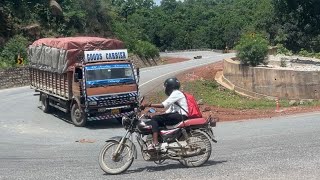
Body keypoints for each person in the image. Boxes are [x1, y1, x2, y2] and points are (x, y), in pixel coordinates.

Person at [142, 77, 189, 150]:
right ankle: (164, 140)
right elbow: (167, 111)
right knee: (156, 119)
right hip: (178, 115)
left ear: (169, 86)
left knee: (155, 119)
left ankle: (155, 143)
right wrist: (154, 112)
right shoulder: (176, 94)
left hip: (180, 116)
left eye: (166, 87)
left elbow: (163, 105)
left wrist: (148, 105)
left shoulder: (176, 93)